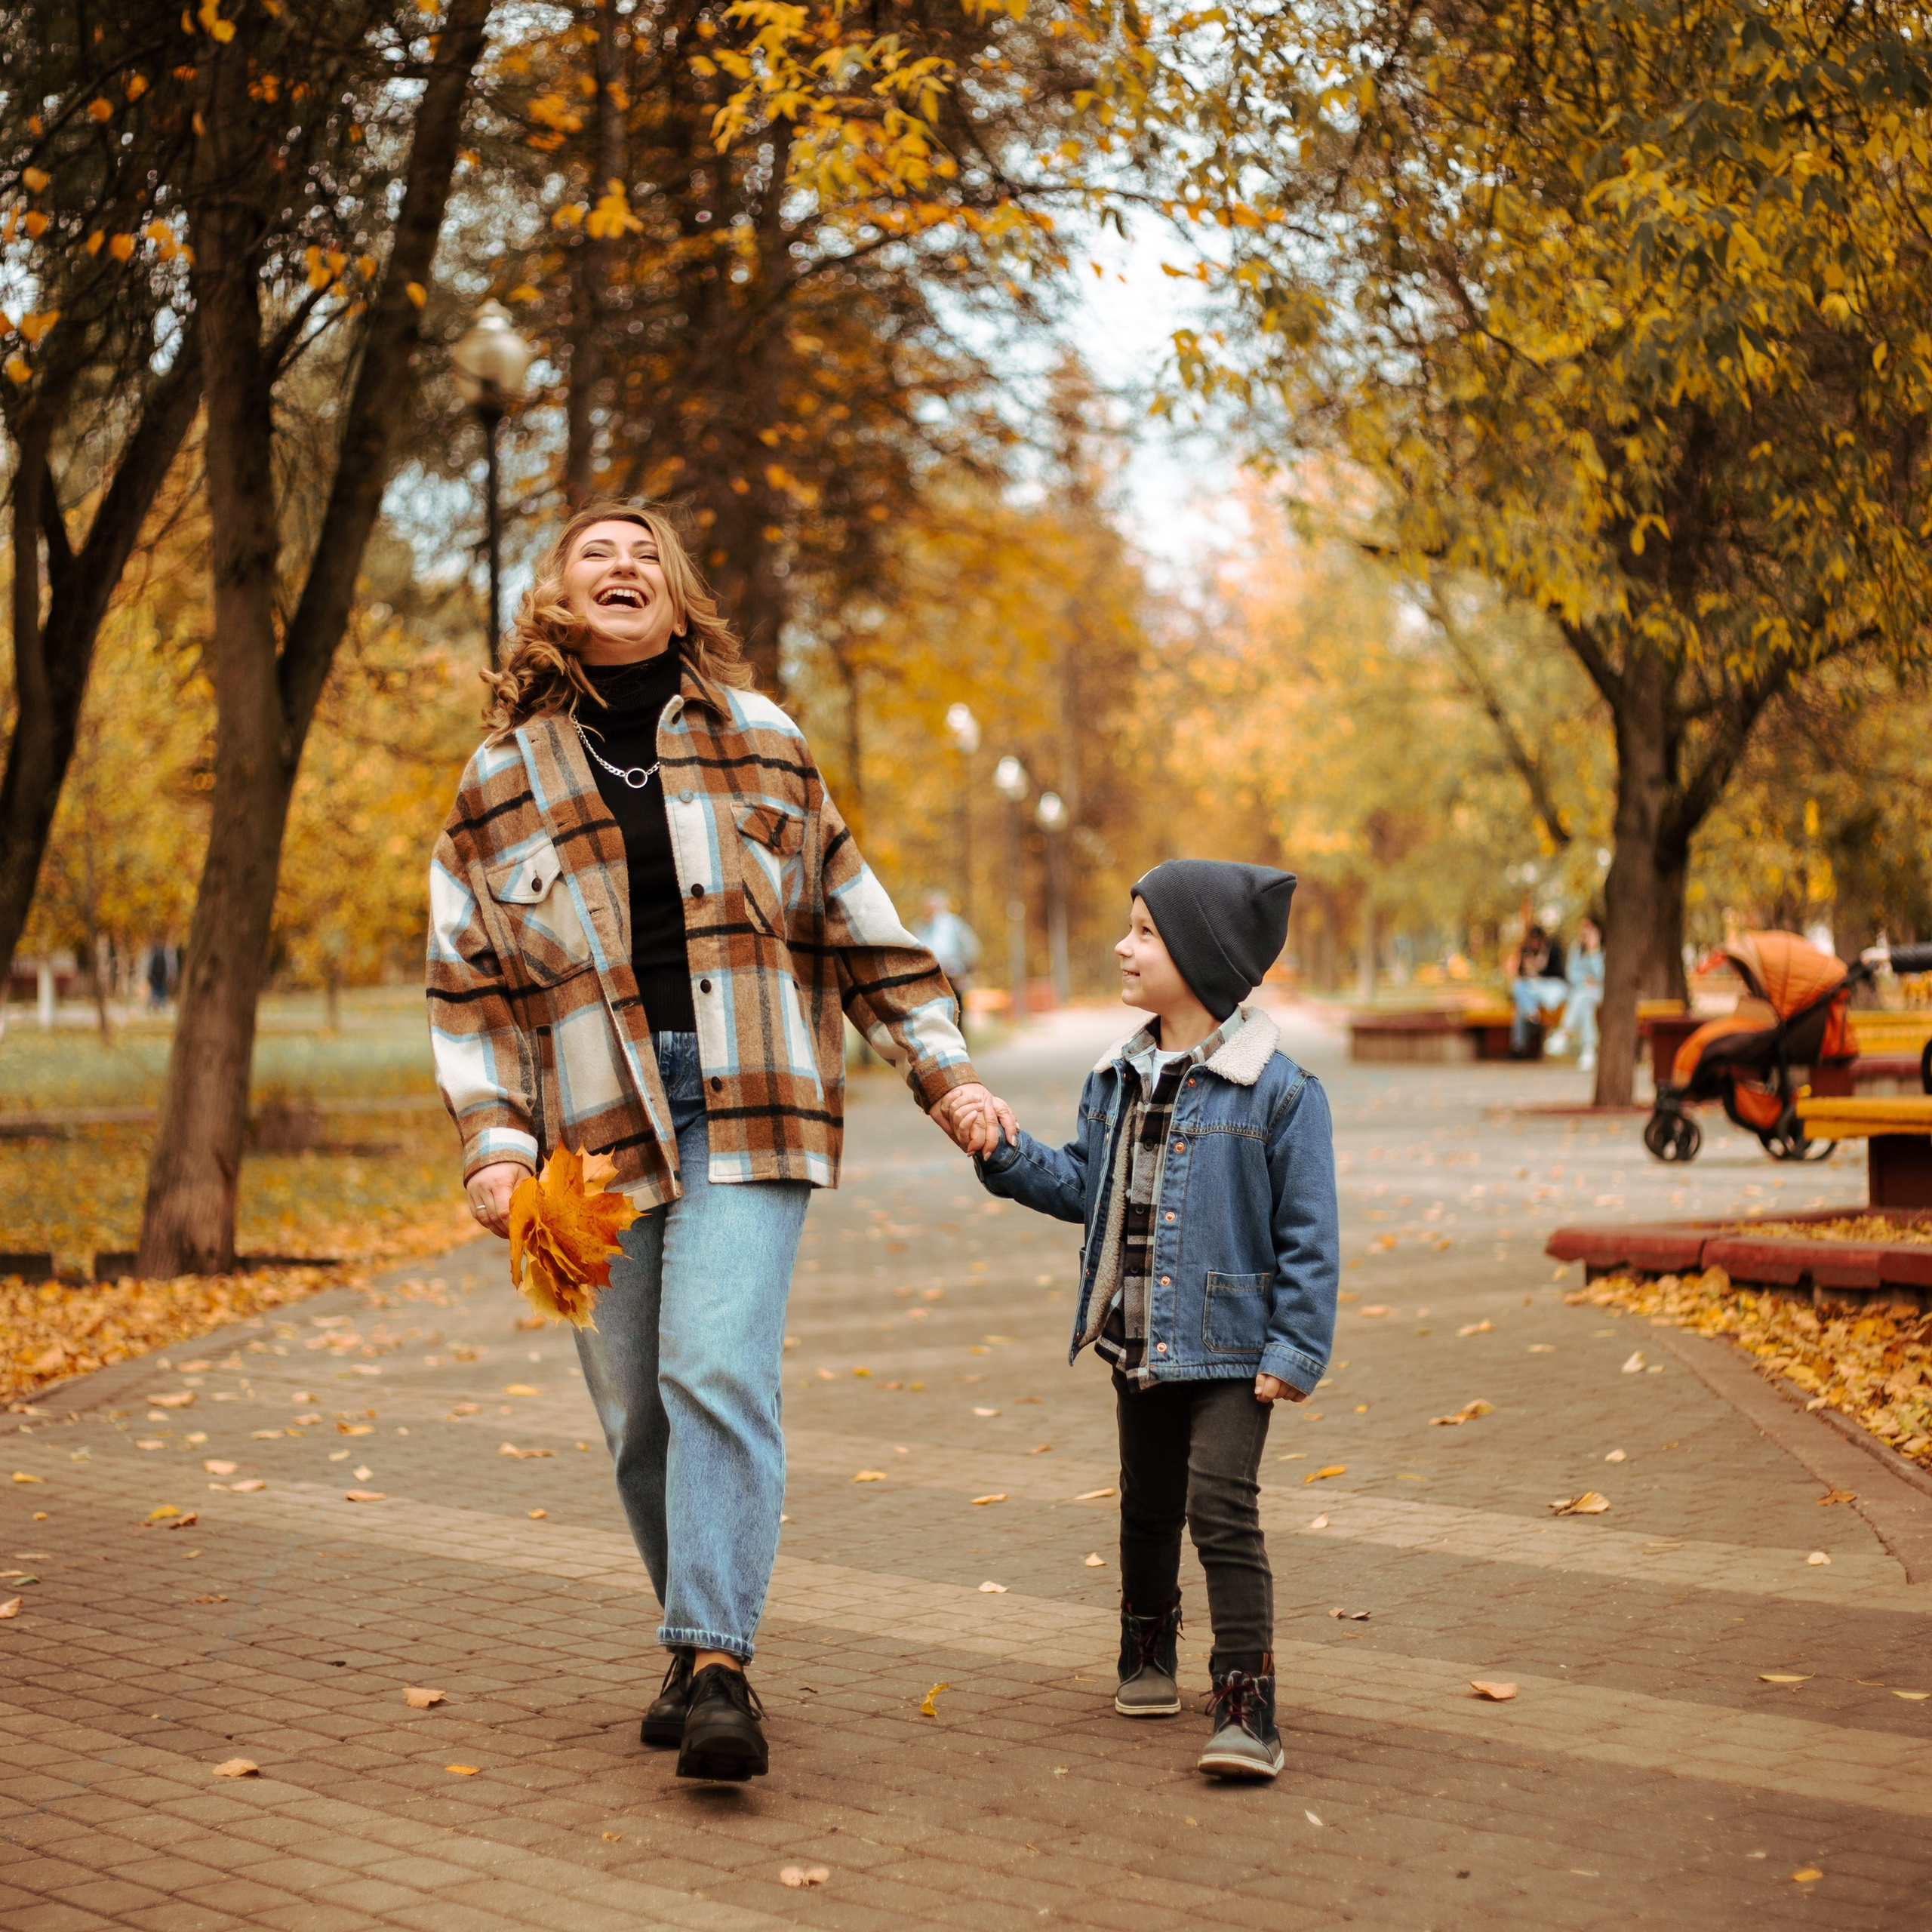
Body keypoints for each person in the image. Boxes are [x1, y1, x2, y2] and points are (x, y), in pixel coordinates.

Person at [426, 502, 1015, 1784]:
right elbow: (467, 988)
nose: (625, 566)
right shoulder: (499, 781)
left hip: (752, 1102)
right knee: (638, 1413)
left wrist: (945, 1073)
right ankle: (693, 1644)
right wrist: (492, 1143)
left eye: (647, 555)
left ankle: (716, 1665)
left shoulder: (767, 744)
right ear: (559, 601)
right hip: (588, 1142)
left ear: (680, 598)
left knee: (715, 1368)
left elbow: (862, 930)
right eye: (598, 554)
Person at [971, 860, 1340, 1780]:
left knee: (1220, 1507)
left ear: (1201, 956)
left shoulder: (1281, 1094)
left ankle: (1246, 1703)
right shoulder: (1116, 1078)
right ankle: (1146, 1644)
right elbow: (1083, 1186)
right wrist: (1003, 1152)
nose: (1121, 947)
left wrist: (1295, 1348)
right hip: (1135, 1338)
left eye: (1143, 931)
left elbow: (1310, 1234)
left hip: (1230, 1345)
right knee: (1147, 1505)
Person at [1547, 915, 1604, 1072]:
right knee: (1585, 1006)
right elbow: (1571, 974)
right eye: (1582, 927)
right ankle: (1589, 1050)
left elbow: (1603, 976)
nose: (1584, 931)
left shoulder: (1603, 950)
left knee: (1581, 996)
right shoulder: (1576, 948)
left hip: (1601, 994)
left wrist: (1594, 953)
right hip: (1583, 993)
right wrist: (1585, 981)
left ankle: (1564, 1033)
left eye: (1588, 927)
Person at [1509, 921, 1568, 1058]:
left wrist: (1539, 969)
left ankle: (1519, 1046)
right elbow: (1520, 975)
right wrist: (1528, 970)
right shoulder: (1526, 951)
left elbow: (1560, 974)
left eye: (1537, 940)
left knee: (1521, 1007)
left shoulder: (1553, 949)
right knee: (1518, 988)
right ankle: (1531, 1014)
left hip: (1550, 988)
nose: (1534, 943)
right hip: (1533, 990)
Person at [915, 891, 981, 1001]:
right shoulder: (919, 927)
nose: (930, 911)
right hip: (928, 979)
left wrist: (964, 968)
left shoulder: (954, 925)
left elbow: (971, 948)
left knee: (954, 1010)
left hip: (952, 976)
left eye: (933, 907)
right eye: (928, 907)